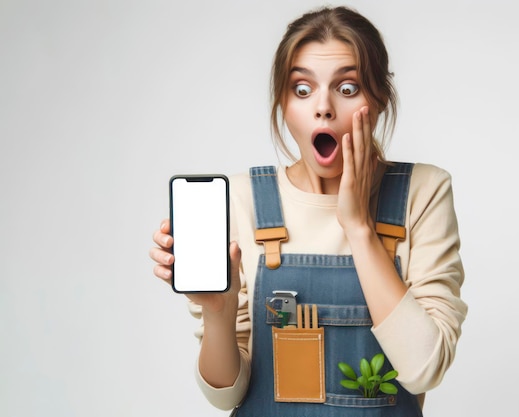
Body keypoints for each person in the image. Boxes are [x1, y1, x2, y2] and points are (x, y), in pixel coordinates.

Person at [150, 5, 467, 417]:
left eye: (348, 88)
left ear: (381, 98)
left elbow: (425, 369)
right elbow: (226, 396)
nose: (323, 107)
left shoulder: (423, 193)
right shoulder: (244, 200)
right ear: (283, 103)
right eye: (302, 89)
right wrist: (218, 311)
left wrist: (358, 228)